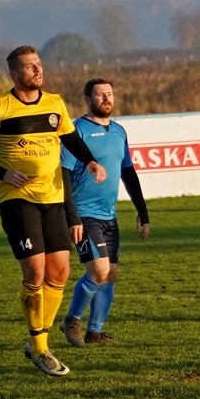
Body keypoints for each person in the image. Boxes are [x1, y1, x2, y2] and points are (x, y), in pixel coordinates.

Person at [0, 46, 106, 376]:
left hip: (53, 197)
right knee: (34, 272)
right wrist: (2, 173)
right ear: (14, 75)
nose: (37, 70)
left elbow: (71, 140)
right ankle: (42, 349)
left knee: (59, 272)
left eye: (39, 64)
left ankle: (37, 340)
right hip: (17, 199)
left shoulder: (55, 103)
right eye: (29, 67)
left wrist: (89, 159)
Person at [59, 79, 151, 346]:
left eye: (109, 94)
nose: (106, 99)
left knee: (110, 274)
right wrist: (71, 216)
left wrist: (142, 212)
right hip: (84, 213)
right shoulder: (75, 131)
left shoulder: (119, 131)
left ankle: (95, 332)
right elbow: (63, 173)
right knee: (98, 271)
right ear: (88, 100)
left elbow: (128, 173)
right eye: (100, 95)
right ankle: (71, 321)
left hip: (109, 215)